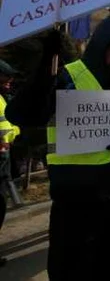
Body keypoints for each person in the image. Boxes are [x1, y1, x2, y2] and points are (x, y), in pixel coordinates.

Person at [5, 17, 110, 281]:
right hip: (76, 202)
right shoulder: (68, 76)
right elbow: (23, 114)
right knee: (72, 272)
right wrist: (47, 67)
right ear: (99, 47)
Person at [0, 59, 21, 268]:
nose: (10, 81)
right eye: (6, 77)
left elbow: (8, 126)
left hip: (4, 159)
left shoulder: (3, 98)